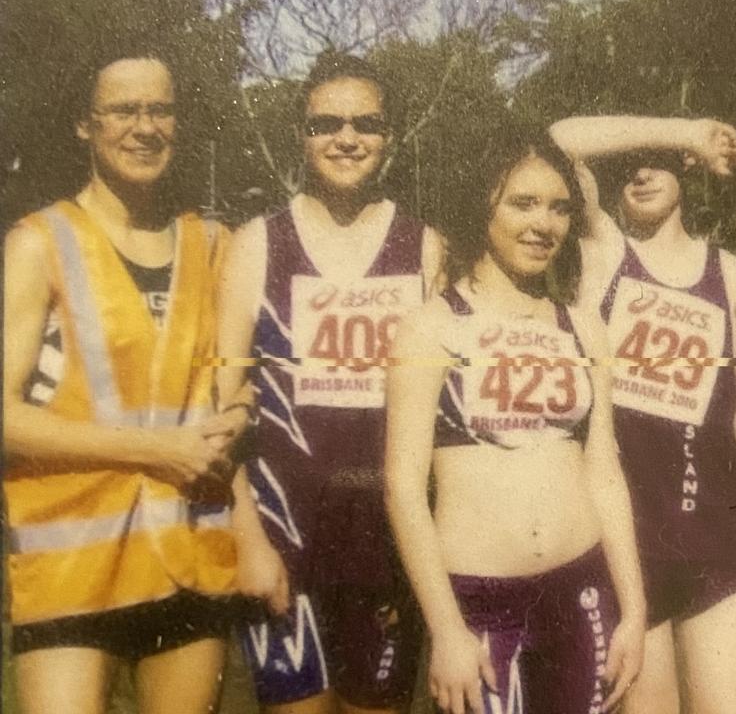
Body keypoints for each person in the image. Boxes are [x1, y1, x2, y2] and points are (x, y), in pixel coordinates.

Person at [3, 49, 242, 714]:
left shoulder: (212, 244)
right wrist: (159, 450)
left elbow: (234, 381)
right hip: (72, 571)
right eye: (124, 110)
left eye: (160, 109)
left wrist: (239, 412)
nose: (145, 126)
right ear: (86, 124)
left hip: (188, 557)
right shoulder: (39, 243)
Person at [383, 128, 646, 714]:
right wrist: (447, 630)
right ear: (484, 207)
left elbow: (605, 473)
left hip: (581, 594)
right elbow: (403, 491)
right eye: (522, 203)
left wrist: (633, 609)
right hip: (478, 604)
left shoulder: (582, 326)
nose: (542, 224)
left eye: (557, 208)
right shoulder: (431, 326)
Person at [216, 52, 443, 713]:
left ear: (391, 135)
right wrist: (245, 536)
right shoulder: (258, 243)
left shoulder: (424, 247)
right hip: (286, 545)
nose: (347, 139)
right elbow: (221, 404)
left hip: (389, 550)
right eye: (326, 124)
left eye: (366, 123)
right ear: (301, 134)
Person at [550, 116, 736, 714]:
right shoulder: (602, 252)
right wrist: (684, 131)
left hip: (715, 541)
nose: (639, 173)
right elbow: (559, 139)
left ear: (687, 172)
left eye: (658, 161)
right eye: (626, 163)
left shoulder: (734, 276)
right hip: (628, 546)